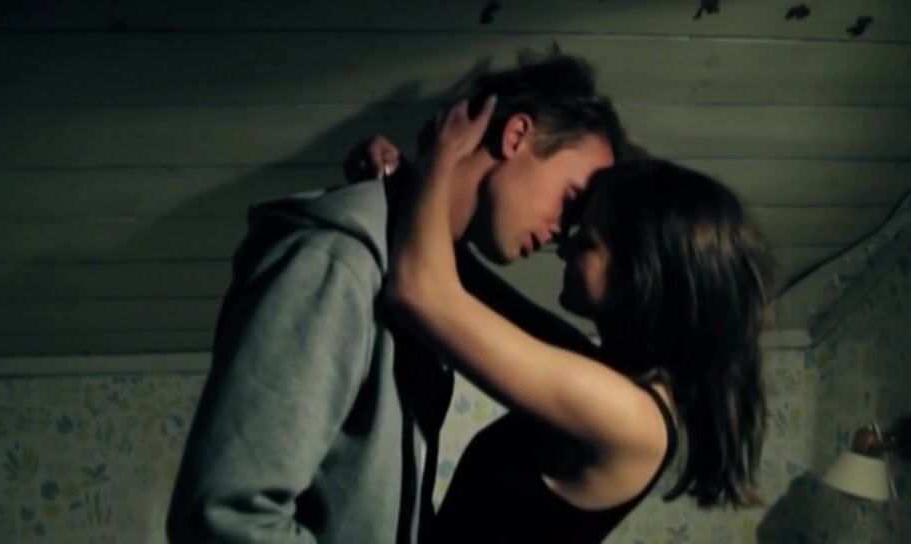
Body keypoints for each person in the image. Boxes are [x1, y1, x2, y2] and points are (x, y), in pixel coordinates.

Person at [165, 53, 627, 544]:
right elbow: (226, 516)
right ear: (515, 136)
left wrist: (414, 186)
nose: (563, 232)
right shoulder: (337, 262)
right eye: (570, 199)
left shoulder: (421, 279)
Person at [386, 98, 776, 543]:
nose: (565, 249)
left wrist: (441, 156)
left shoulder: (631, 419)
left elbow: (419, 292)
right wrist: (400, 183)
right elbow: (463, 279)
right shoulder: (607, 376)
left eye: (587, 241)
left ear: (641, 272)